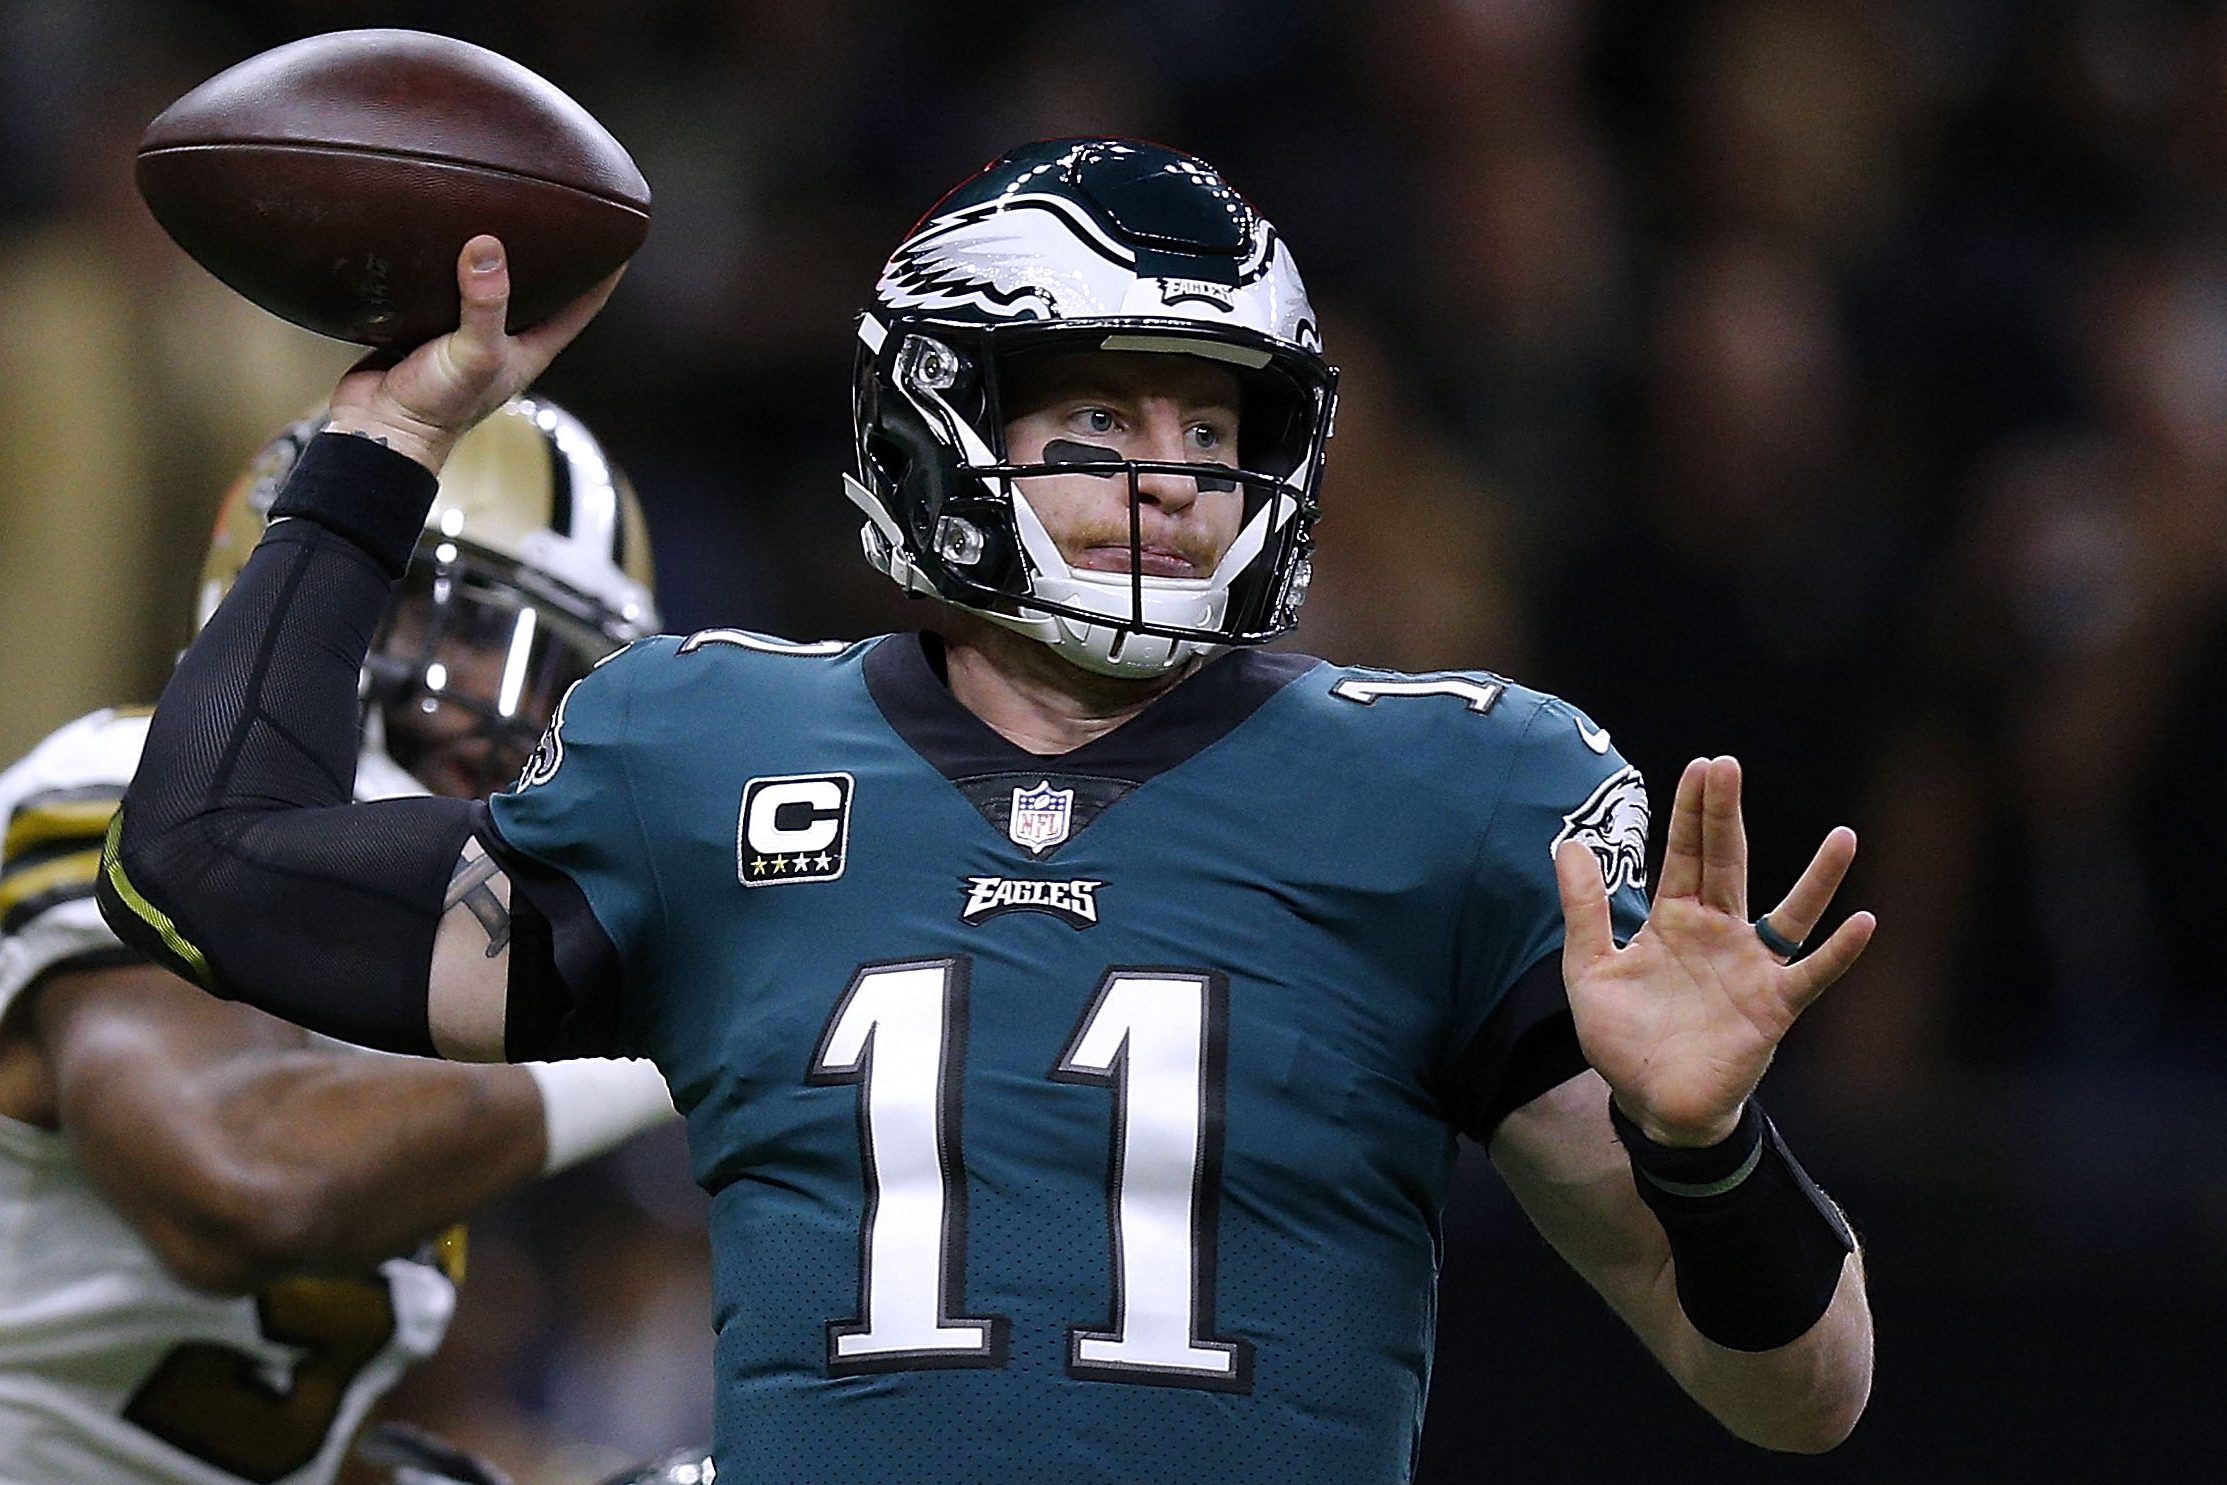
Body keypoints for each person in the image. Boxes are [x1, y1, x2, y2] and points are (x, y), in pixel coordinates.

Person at [100, 139, 1876, 1481]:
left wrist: (1709, 1157)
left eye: (1211, 425)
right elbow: (202, 872)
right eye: (1096, 416)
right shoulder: (707, 755)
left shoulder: (1448, 797)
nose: (1169, 481)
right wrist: (379, 451)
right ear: (940, 423)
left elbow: (1800, 1395)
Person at [0, 397, 679, 1484]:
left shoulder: (433, 959)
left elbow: (240, 1411)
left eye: (562, 679)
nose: (519, 720)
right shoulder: (120, 786)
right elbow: (242, 1185)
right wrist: (661, 1034)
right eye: (468, 629)